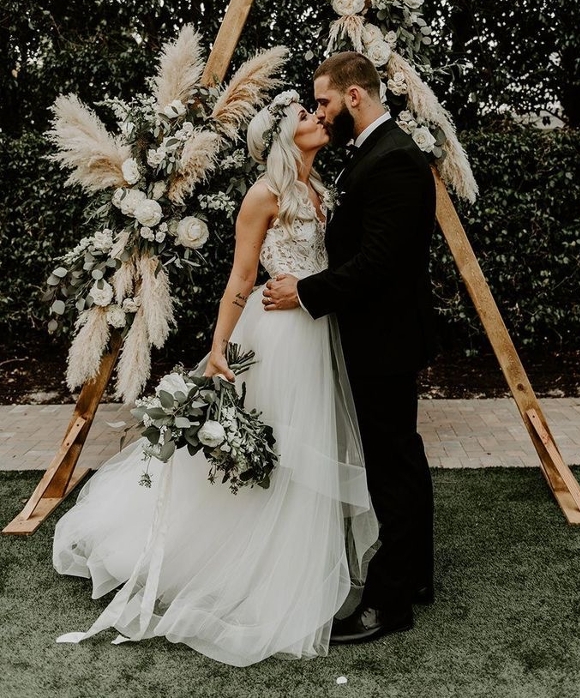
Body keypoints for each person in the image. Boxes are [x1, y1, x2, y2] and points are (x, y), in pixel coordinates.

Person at [52, 91, 378, 666]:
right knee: (276, 444)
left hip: (316, 331)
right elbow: (242, 276)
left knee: (306, 443)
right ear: (282, 135)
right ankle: (250, 562)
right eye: (304, 114)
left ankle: (296, 556)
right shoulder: (263, 194)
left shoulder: (318, 189)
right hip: (277, 337)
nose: (317, 117)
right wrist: (219, 346)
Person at [263, 52, 436, 645]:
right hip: (376, 334)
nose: (321, 113)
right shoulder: (371, 153)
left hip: (385, 338)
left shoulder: (394, 160)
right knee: (399, 458)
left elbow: (378, 263)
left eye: (325, 102)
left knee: (391, 465)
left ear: (353, 97)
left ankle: (389, 602)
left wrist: (305, 292)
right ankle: (413, 575)